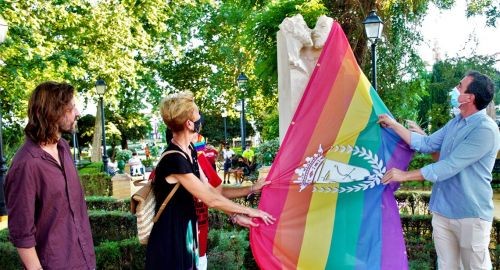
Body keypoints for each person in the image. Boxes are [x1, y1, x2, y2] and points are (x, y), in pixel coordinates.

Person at [378, 70, 499, 269]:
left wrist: (405, 176)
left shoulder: (485, 130)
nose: (455, 89)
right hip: (443, 211)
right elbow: (426, 143)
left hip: (470, 215)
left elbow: (448, 166)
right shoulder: (455, 122)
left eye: (460, 86)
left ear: (469, 97)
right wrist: (394, 125)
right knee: (446, 266)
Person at [146, 91, 274, 269]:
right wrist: (252, 212)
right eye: (198, 113)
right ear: (190, 124)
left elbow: (213, 192)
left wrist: (249, 192)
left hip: (186, 237)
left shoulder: (190, 151)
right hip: (170, 240)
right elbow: (210, 199)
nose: (201, 118)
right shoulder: (173, 160)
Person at [4, 82, 95, 269]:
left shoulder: (63, 148)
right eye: (72, 108)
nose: (77, 112)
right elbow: (22, 233)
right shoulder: (26, 164)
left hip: (84, 261)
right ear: (54, 111)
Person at [193, 133, 269, 270]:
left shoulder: (195, 159)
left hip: (198, 248)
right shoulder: (186, 162)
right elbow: (214, 197)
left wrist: (250, 189)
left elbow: (215, 193)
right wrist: (247, 211)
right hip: (181, 250)